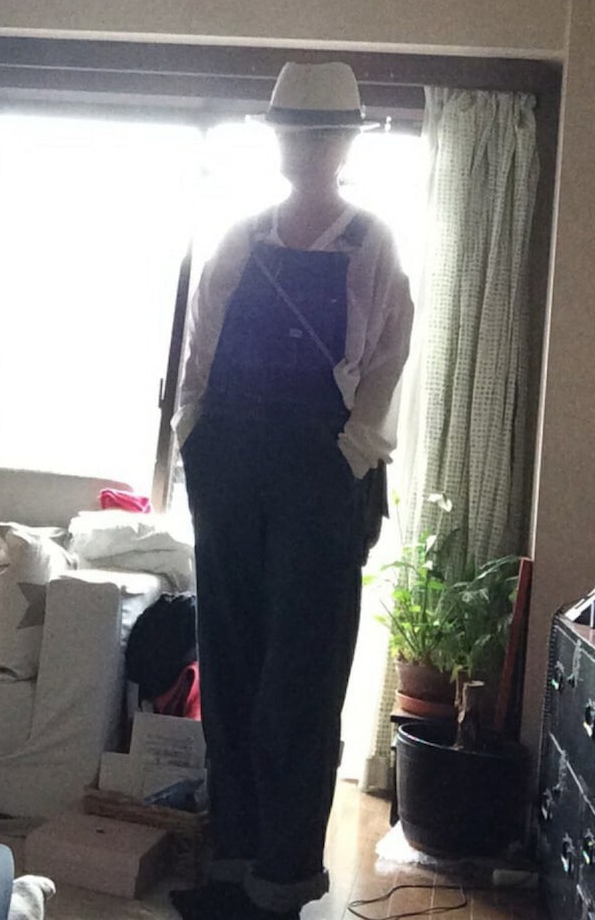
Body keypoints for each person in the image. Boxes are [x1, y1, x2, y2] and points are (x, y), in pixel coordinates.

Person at [171, 62, 414, 920]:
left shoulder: (371, 242)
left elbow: (385, 362)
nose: (303, 148)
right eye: (291, 133)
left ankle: (280, 881)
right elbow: (199, 351)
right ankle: (231, 867)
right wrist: (194, 438)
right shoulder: (240, 237)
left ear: (344, 145)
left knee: (300, 681)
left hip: (320, 475)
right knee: (230, 665)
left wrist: (344, 457)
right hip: (228, 465)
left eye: (319, 134)